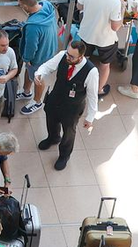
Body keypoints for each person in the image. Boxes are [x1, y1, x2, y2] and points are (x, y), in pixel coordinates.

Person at [31, 39, 99, 171]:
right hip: (55, 99)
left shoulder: (91, 71)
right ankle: (53, 137)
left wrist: (90, 117)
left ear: (81, 56)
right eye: (68, 54)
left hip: (72, 107)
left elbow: (92, 96)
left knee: (69, 132)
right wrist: (39, 74)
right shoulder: (63, 55)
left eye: (72, 56)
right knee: (51, 120)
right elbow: (47, 66)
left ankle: (64, 155)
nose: (68, 57)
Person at [76, 0, 125, 97]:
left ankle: (79, 84)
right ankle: (98, 90)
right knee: (104, 65)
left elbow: (79, 6)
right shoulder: (115, 1)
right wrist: (123, 11)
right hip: (105, 40)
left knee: (82, 60)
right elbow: (115, 27)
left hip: (86, 34)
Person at [16, 0, 59, 107]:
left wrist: (27, 58)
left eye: (20, 5)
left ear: (25, 6)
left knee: (38, 77)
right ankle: (26, 91)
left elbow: (31, 46)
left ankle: (37, 101)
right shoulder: (47, 5)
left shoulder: (32, 26)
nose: (20, 7)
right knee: (30, 71)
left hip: (39, 56)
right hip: (50, 48)